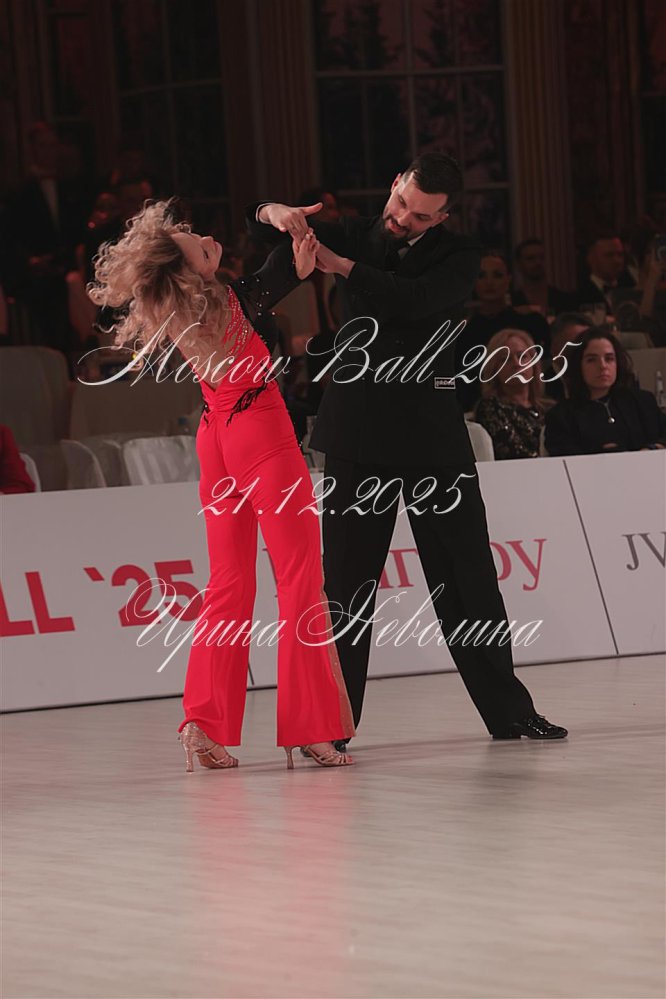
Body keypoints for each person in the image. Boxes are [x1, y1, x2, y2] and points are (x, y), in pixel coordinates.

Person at [249, 152, 567, 743]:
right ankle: (333, 725)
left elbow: (413, 299)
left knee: (469, 578)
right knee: (347, 586)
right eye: (401, 204)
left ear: (442, 217)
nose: (402, 219)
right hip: (357, 436)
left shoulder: (460, 256)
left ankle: (509, 712)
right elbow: (259, 228)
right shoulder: (352, 231)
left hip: (432, 439)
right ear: (395, 183)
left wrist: (342, 267)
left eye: (420, 217)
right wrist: (275, 212)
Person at [88, 201, 355, 770]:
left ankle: (203, 725)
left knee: (229, 582)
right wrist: (275, 217)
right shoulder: (232, 300)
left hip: (215, 440)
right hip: (262, 434)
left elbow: (277, 272)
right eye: (201, 247)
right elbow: (277, 270)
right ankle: (311, 727)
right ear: (193, 274)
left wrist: (280, 234)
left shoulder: (182, 313)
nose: (210, 239)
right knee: (300, 578)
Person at [545, 327, 666, 455]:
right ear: (578, 365)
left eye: (609, 359)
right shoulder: (561, 417)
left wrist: (652, 449)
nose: (603, 366)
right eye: (591, 360)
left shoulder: (642, 401)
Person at [457, 251, 551, 411]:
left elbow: (546, 369)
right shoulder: (465, 332)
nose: (489, 282)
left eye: (497, 275)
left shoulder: (531, 322)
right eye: (481, 276)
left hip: (531, 404)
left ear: (508, 279)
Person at [474, 329, 549, 460]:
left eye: (522, 356)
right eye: (506, 359)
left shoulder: (549, 409)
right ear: (494, 368)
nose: (516, 364)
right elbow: (514, 453)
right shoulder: (491, 408)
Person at [511, 237, 572, 316]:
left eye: (541, 257)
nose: (538, 262)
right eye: (530, 258)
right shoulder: (513, 303)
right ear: (519, 264)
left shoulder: (563, 299)